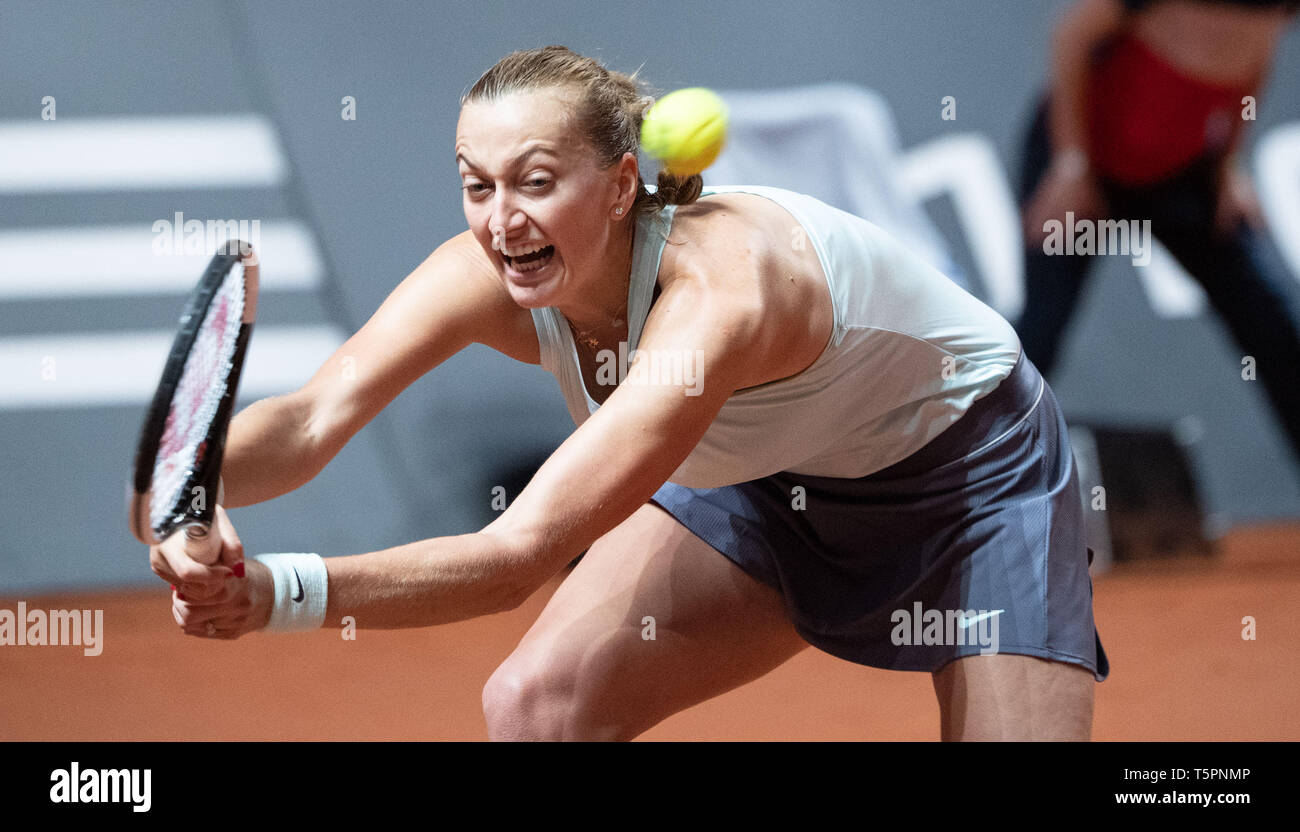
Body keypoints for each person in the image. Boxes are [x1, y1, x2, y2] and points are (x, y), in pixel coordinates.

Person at [148, 45, 1107, 741]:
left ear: (618, 186)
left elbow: (515, 556)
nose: (501, 220)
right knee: (535, 708)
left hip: (971, 485)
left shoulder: (720, 298)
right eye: (476, 185)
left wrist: (272, 593)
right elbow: (313, 419)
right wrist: (188, 485)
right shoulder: (487, 269)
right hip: (762, 486)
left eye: (534, 181)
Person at [1017, 0, 1300, 464]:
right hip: (1085, 175)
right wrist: (1071, 165)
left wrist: (1228, 164)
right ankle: (960, 493)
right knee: (1039, 337)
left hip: (1182, 177)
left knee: (1274, 329)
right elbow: (1071, 37)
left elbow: (1253, 61)